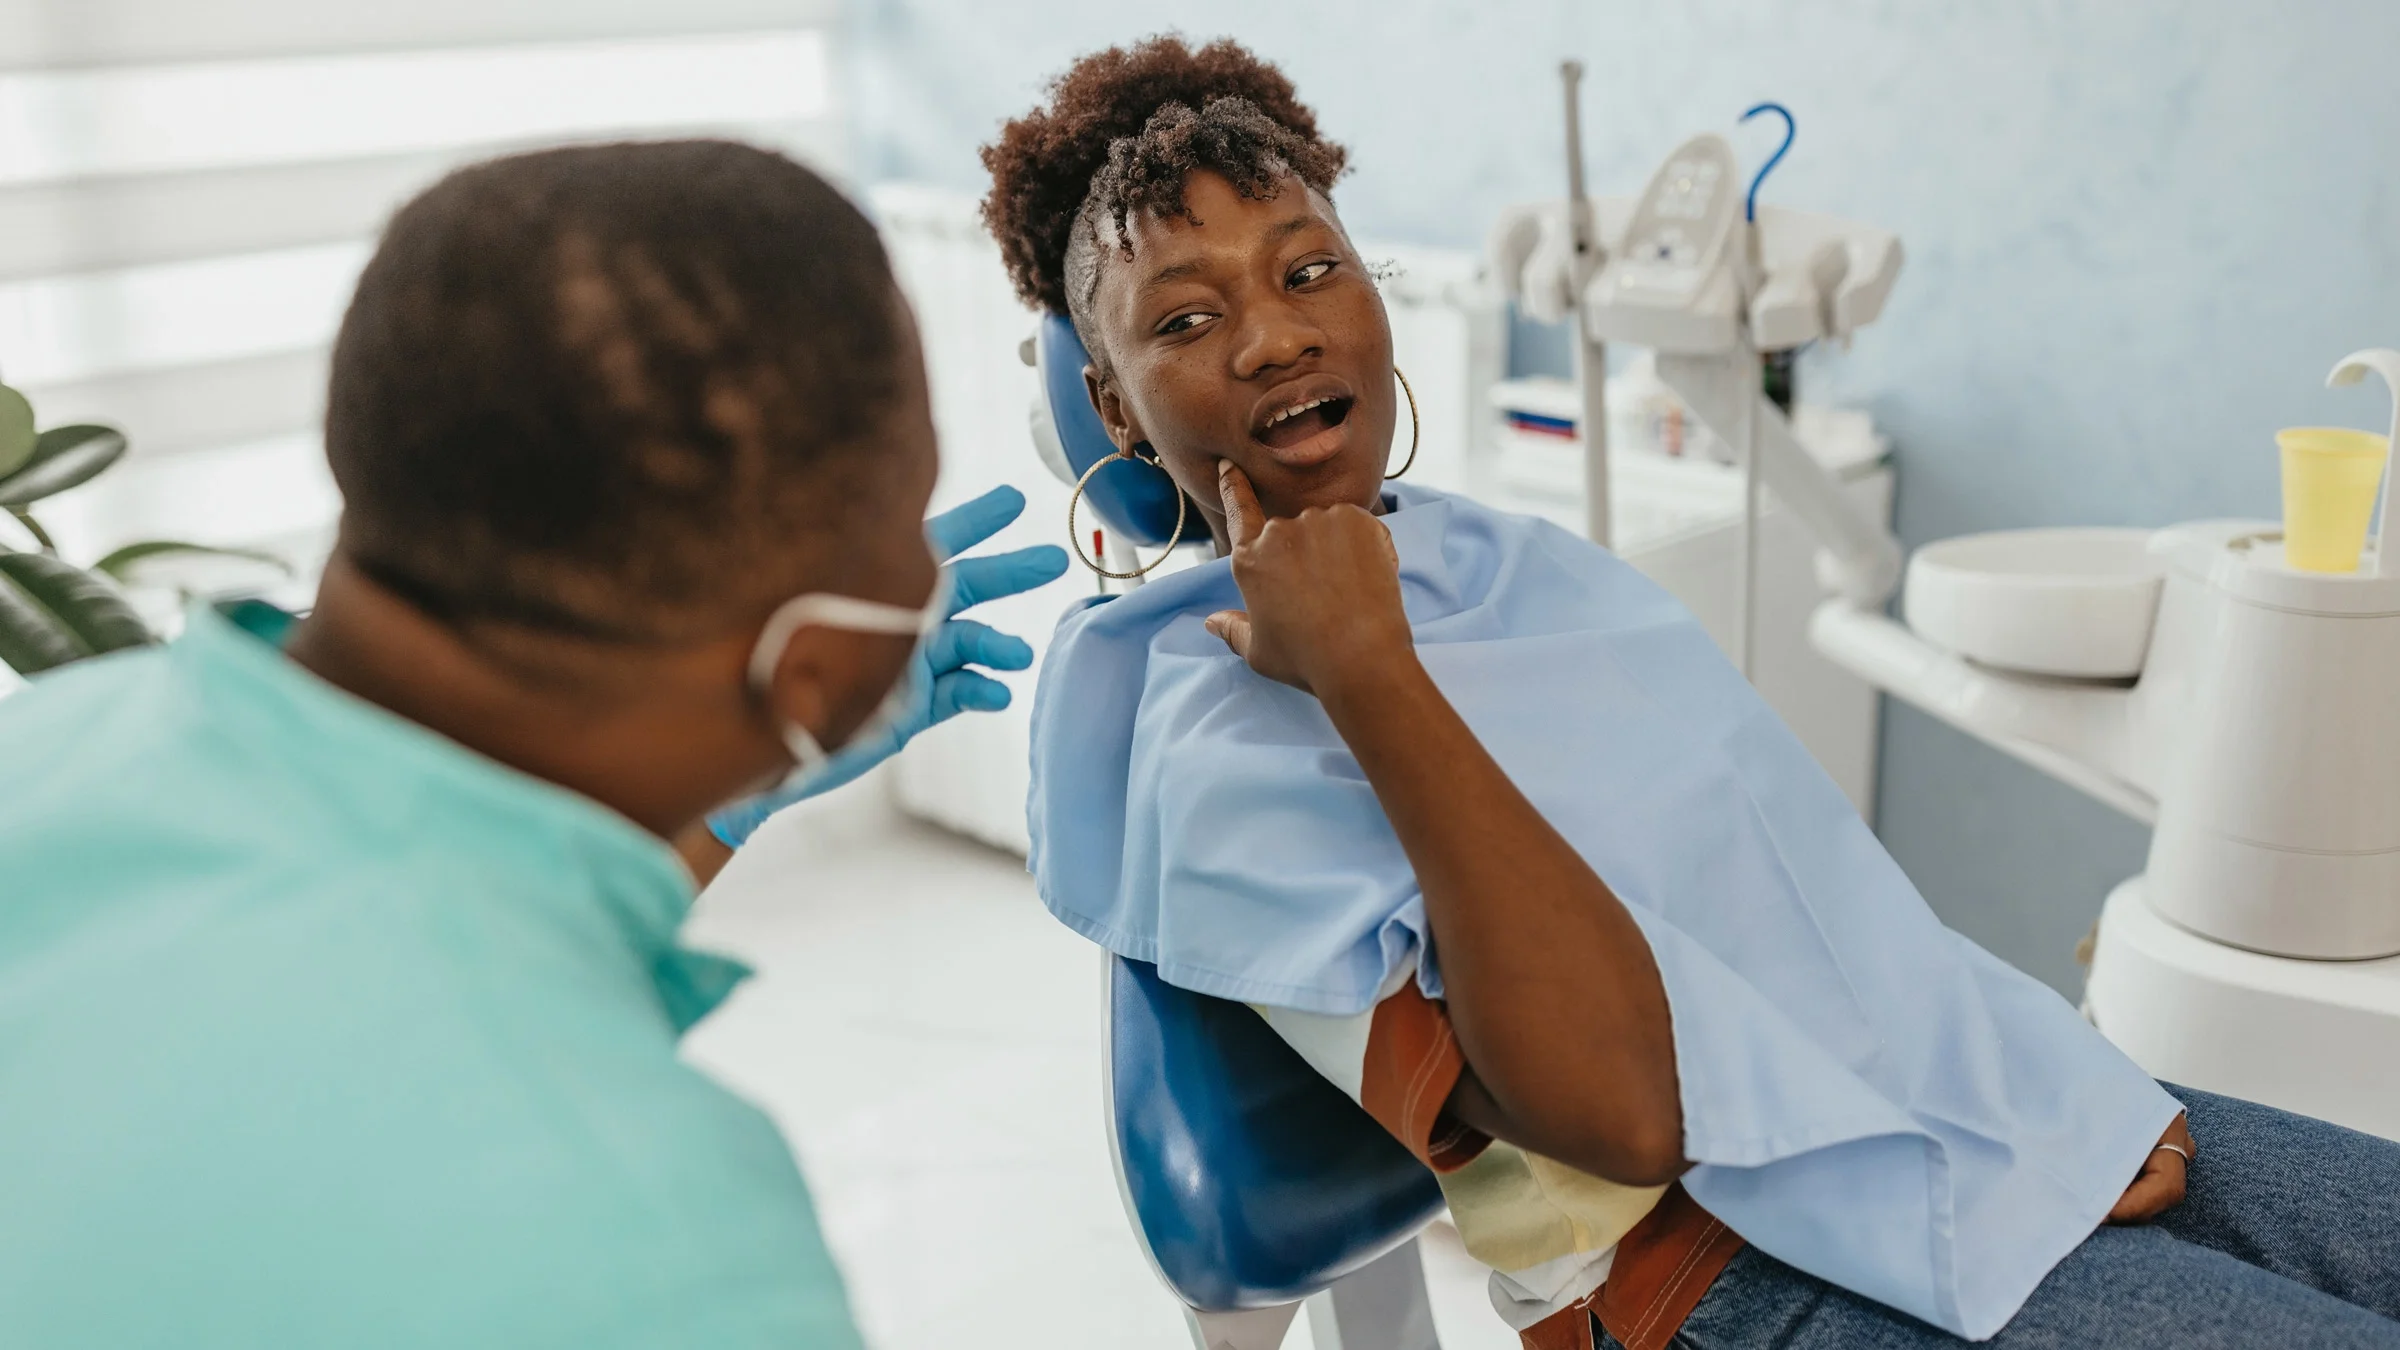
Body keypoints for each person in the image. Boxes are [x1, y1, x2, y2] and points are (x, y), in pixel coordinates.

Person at [988, 37, 2400, 1350]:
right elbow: (1617, 1121)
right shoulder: (1195, 724)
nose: (1275, 337)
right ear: (1114, 403)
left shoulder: (1517, 567)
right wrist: (1370, 676)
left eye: (1310, 272)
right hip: (1724, 1268)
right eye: (1187, 316)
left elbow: (1806, 906)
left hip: (1945, 1112)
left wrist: (2030, 1096)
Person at [0, 140, 1065, 1347]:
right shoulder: (656, 1250)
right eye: (905, 517)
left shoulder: (53, 742)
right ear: (808, 662)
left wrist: (712, 812)